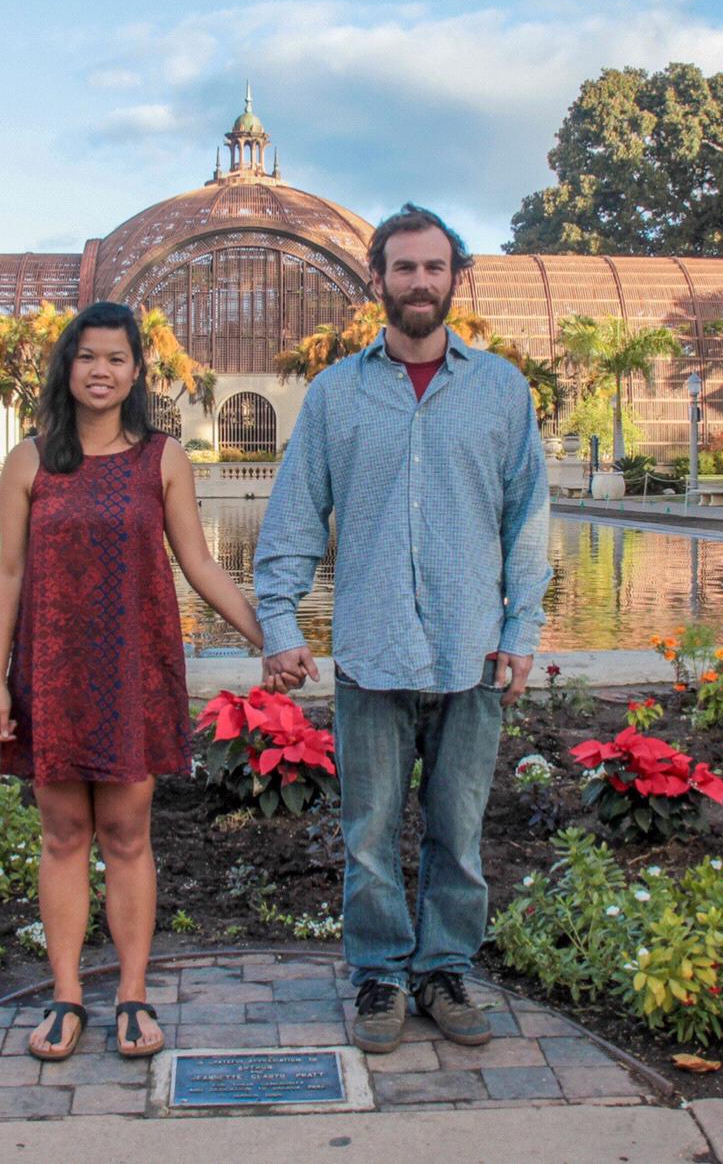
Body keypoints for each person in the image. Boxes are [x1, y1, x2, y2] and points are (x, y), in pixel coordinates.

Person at [254, 203, 551, 1056]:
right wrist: (280, 621)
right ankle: (381, 974)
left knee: (459, 834)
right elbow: (294, 518)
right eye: (403, 268)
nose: (419, 282)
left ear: (455, 279)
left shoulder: (499, 390)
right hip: (373, 655)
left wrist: (520, 628)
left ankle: (447, 968)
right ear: (375, 280)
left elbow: (526, 516)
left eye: (434, 267)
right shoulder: (336, 395)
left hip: (472, 655)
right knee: (370, 834)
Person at [0, 301, 265, 1064]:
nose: (101, 371)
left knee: (128, 836)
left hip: (134, 670)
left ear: (136, 371)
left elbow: (200, 566)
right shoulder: (30, 462)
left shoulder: (161, 459)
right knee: (63, 835)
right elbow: (8, 575)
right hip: (53, 671)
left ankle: (132, 993)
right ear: (67, 369)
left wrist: (272, 637)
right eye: (87, 357)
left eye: (115, 358)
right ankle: (68, 995)